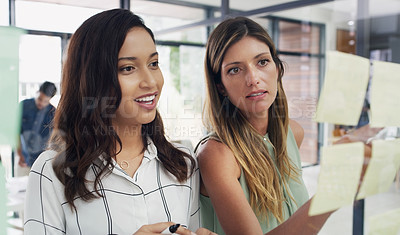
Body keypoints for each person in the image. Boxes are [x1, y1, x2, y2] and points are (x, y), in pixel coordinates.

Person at [24, 9, 214, 235]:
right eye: (128, 68)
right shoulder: (52, 172)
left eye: (154, 63)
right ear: (93, 79)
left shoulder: (184, 164)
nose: (151, 81)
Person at [196, 16, 338, 235]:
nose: (253, 79)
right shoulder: (217, 155)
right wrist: (332, 194)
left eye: (262, 62)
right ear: (220, 86)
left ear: (278, 69)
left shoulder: (293, 133)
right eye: (235, 69)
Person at [17, 81, 56, 176]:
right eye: (40, 99)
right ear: (37, 92)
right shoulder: (23, 106)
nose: (41, 103)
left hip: (42, 164)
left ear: (50, 99)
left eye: (45, 101)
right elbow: (16, 132)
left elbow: (54, 139)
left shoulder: (54, 113)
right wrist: (19, 154)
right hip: (23, 160)